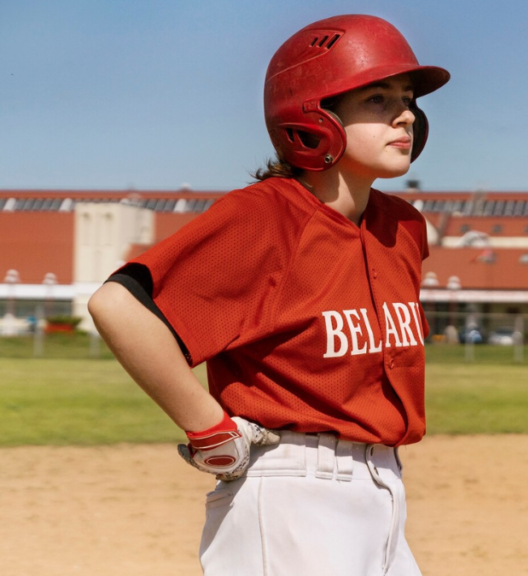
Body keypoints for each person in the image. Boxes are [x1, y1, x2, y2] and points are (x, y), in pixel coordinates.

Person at [88, 14, 448, 576]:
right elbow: (120, 307)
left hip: (384, 489)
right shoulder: (265, 217)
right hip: (293, 495)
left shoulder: (401, 226)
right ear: (314, 115)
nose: (406, 114)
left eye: (407, 99)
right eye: (377, 98)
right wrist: (208, 427)